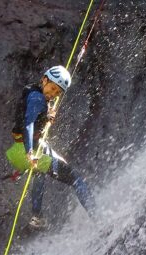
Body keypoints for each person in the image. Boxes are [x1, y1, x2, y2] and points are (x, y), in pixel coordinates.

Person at [6, 65, 95, 229]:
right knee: (76, 179)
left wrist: (47, 116)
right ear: (44, 79)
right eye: (52, 88)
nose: (53, 94)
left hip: (19, 151)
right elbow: (29, 124)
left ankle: (36, 217)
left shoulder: (34, 94)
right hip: (27, 150)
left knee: (46, 171)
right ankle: (99, 219)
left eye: (57, 93)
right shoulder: (38, 99)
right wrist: (30, 153)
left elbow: (31, 117)